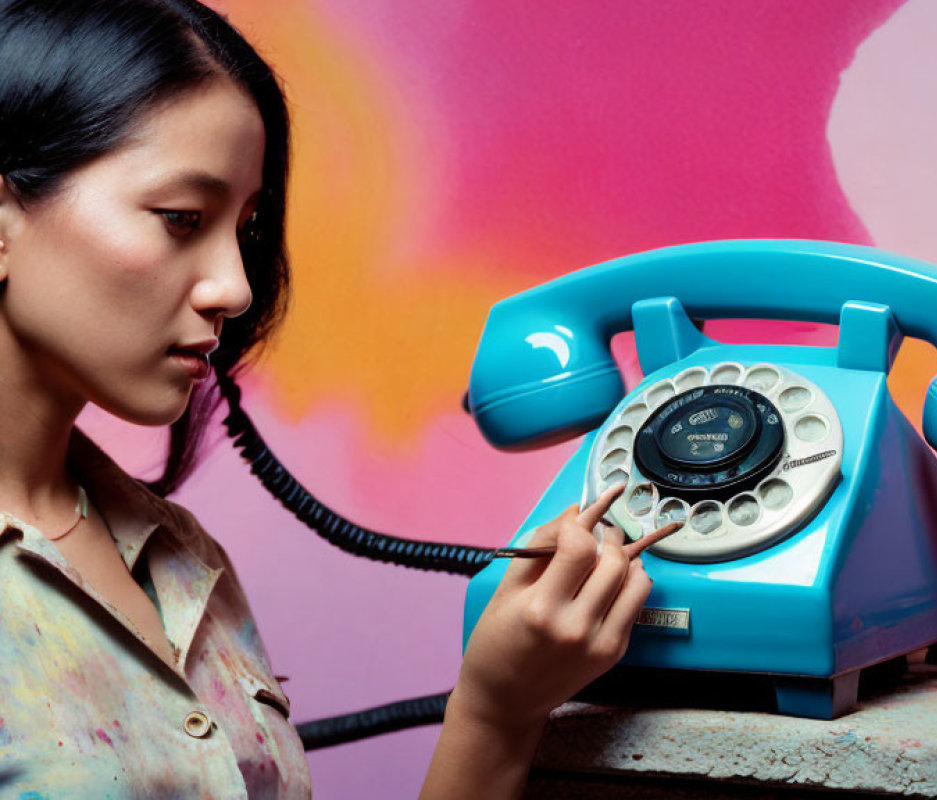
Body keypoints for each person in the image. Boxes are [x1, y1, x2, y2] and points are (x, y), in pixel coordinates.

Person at [0, 1, 654, 797]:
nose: (236, 289)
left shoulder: (184, 564)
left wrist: (495, 710)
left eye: (244, 227)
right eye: (181, 218)